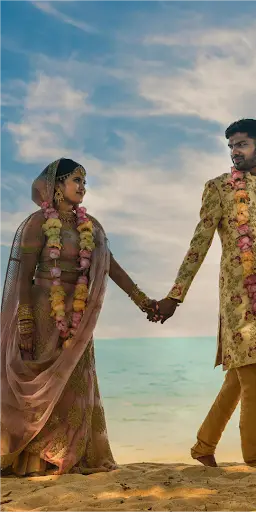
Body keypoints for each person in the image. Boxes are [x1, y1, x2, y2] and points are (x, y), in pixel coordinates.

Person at [150, 119, 256, 467]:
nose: (234, 152)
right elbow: (200, 242)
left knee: (242, 375)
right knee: (255, 375)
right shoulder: (219, 188)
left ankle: (203, 446)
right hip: (237, 298)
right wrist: (175, 295)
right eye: (231, 146)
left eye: (241, 144)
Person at [0, 158, 156, 476]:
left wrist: (143, 301)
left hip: (78, 319)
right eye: (77, 181)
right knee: (41, 388)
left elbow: (109, 265)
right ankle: (33, 460)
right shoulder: (38, 224)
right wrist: (26, 321)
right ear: (57, 186)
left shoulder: (90, 227)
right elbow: (23, 277)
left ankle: (66, 457)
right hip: (44, 314)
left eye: (85, 182)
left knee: (72, 386)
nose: (83, 188)